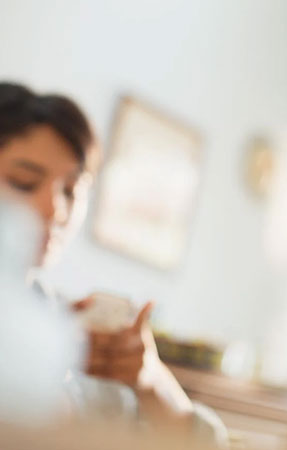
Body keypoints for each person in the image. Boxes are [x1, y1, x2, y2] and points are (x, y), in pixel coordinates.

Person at [0, 81, 226, 445]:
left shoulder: (80, 335)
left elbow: (205, 443)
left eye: (72, 192)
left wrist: (148, 379)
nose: (56, 210)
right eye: (23, 181)